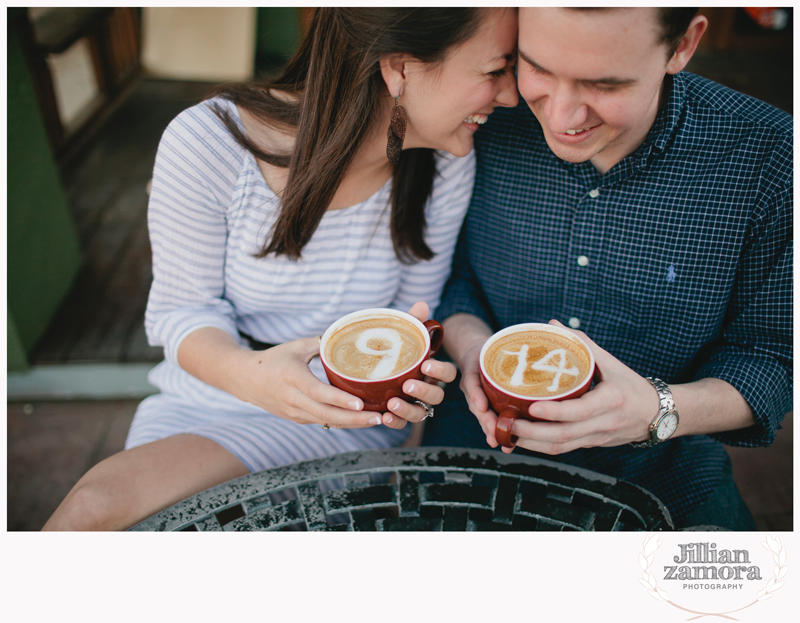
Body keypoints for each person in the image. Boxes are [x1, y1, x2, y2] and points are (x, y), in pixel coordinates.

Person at [44, 7, 519, 530]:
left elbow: (411, 317)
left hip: (343, 418)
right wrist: (257, 379)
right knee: (91, 513)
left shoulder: (446, 163)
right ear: (400, 69)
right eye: (495, 70)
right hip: (209, 396)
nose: (511, 95)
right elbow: (183, 312)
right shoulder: (209, 143)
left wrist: (411, 390)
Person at [423, 7, 792, 530]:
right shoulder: (482, 116)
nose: (562, 117)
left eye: (604, 84)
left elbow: (774, 358)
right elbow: (455, 276)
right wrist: (473, 348)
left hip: (663, 474)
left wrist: (657, 409)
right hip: (472, 462)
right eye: (539, 70)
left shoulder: (772, 156)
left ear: (684, 44)